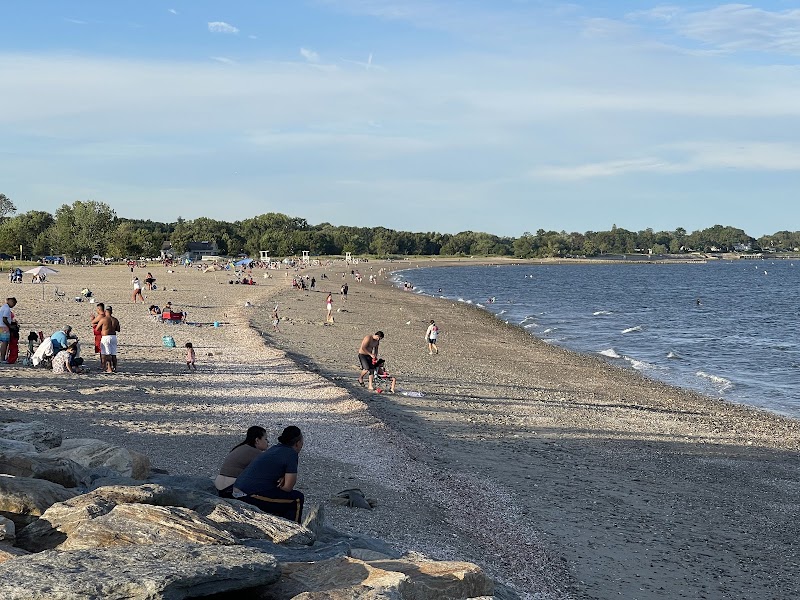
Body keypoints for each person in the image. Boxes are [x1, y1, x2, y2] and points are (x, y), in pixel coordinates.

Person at [233, 426, 305, 523]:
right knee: (297, 499)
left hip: (238, 488)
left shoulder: (275, 448)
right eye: (302, 441)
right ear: (297, 443)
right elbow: (288, 488)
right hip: (248, 494)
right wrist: (281, 485)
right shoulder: (291, 454)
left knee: (282, 498)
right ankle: (295, 529)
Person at [215, 426, 268, 498]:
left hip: (219, 487)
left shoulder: (241, 448)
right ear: (257, 440)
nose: (268, 442)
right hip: (230, 489)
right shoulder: (255, 452)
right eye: (265, 439)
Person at [97, 306, 120, 373]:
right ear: (111, 312)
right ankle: (115, 367)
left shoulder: (103, 319)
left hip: (106, 337)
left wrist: (104, 328)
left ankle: (109, 368)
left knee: (107, 353)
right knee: (113, 354)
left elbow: (97, 328)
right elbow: (118, 329)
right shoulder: (115, 320)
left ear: (105, 311)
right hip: (113, 337)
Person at [1, 298, 18, 362]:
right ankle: (2, 359)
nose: (13, 305)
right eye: (14, 303)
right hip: (4, 327)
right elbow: (4, 319)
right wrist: (10, 326)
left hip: (2, 326)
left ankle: (3, 358)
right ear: (10, 301)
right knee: (4, 342)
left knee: (4, 342)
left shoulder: (3, 307)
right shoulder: (7, 309)